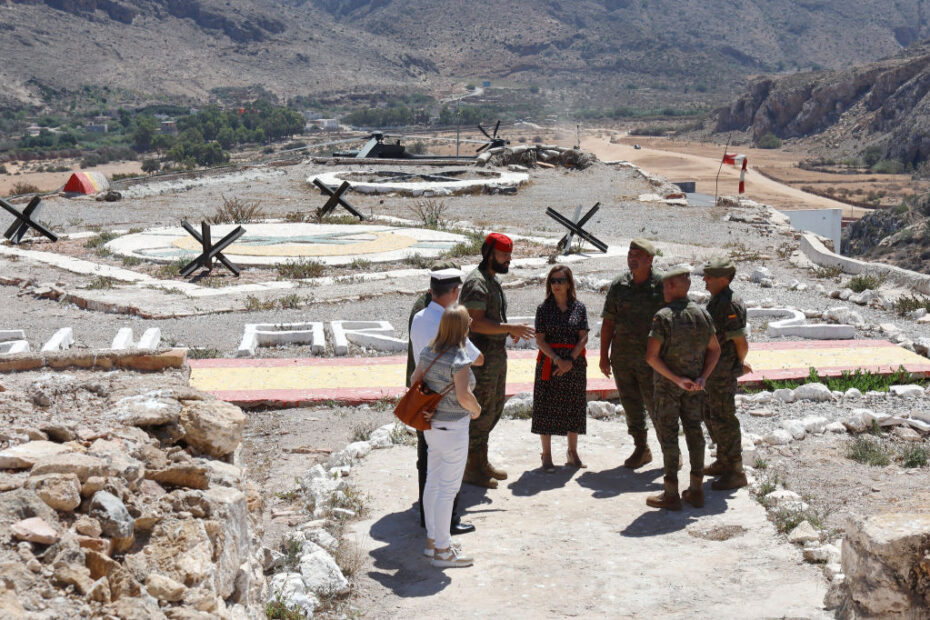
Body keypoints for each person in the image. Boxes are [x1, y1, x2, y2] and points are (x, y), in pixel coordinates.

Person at [408, 266, 483, 536]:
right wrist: (475, 409)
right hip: (448, 406)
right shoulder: (449, 322)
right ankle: (446, 527)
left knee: (427, 464)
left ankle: (428, 524)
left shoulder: (418, 317)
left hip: (423, 400)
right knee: (448, 479)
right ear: (454, 292)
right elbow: (478, 359)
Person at [460, 232, 535, 489]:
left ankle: (480, 461)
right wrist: (507, 328)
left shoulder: (490, 281)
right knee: (479, 413)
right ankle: (472, 467)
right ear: (488, 253)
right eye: (503, 255)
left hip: (494, 358)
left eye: (509, 255)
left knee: (492, 410)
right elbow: (474, 322)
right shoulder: (476, 283)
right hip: (480, 361)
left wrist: (506, 331)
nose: (508, 260)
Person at [645, 266, 720, 511]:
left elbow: (652, 357)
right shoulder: (702, 315)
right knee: (695, 433)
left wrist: (676, 379)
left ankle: (670, 493)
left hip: (668, 387)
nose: (663, 289)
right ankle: (696, 489)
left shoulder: (663, 317)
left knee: (669, 436)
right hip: (694, 387)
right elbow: (715, 350)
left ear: (674, 286)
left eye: (666, 285)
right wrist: (702, 378)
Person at [600, 239, 666, 469]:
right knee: (631, 405)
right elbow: (608, 321)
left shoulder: (662, 285)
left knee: (657, 406)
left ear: (650, 259)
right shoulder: (620, 284)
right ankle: (641, 448)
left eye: (637, 254)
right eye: (630, 254)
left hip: (653, 360)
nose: (632, 258)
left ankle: (670, 453)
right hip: (622, 358)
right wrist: (603, 356)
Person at [532, 265, 589, 471]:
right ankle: (546, 455)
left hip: (574, 363)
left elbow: (583, 337)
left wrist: (570, 360)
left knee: (573, 406)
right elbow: (540, 340)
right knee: (545, 407)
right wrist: (558, 360)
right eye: (553, 281)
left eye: (561, 280)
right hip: (550, 361)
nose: (556, 285)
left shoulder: (579, 308)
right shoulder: (543, 309)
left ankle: (572, 452)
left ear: (569, 283)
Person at [701, 257, 751, 490]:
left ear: (723, 279)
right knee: (710, 414)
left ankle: (736, 471)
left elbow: (741, 341)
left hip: (723, 372)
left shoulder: (729, 304)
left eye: (709, 277)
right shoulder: (718, 301)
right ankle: (723, 460)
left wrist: (740, 363)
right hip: (713, 372)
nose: (705, 280)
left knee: (724, 419)